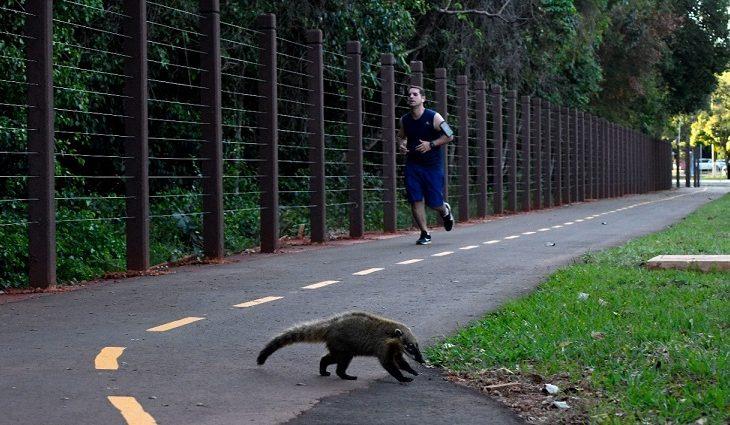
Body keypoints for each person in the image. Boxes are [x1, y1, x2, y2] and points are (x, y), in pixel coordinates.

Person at [397, 85, 454, 245]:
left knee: (434, 202)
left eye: (415, 94)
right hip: (413, 165)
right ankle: (425, 233)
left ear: (423, 98)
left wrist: (432, 144)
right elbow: (400, 136)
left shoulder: (434, 117)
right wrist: (401, 145)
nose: (411, 96)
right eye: (409, 94)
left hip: (432, 166)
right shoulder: (405, 120)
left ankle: (445, 211)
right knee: (415, 199)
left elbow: (450, 135)